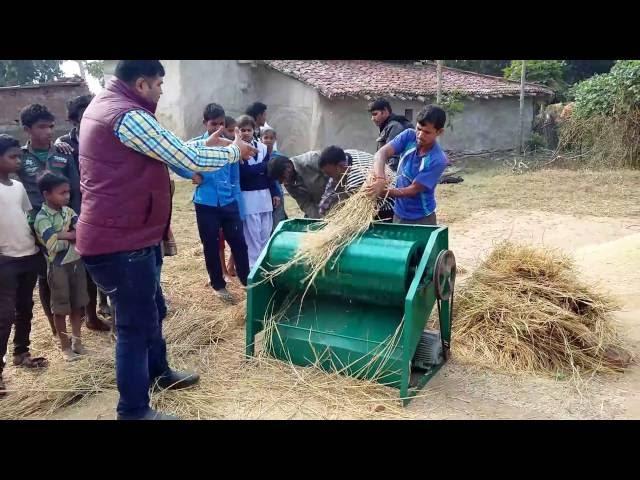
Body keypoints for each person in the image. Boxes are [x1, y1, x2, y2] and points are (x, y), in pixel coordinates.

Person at [77, 60, 255, 420]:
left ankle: (159, 373)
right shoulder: (126, 116)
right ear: (141, 84)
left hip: (133, 236)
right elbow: (187, 158)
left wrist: (205, 147)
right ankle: (133, 410)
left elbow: (170, 153)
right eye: (159, 83)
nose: (162, 90)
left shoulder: (111, 106)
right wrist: (235, 151)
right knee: (133, 326)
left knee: (153, 310)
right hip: (121, 242)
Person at [172, 103, 249, 303]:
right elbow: (175, 160)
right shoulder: (195, 145)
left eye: (222, 124)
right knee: (211, 245)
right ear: (205, 123)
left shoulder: (230, 146)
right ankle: (218, 284)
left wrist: (238, 206)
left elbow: (235, 178)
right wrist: (191, 174)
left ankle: (247, 282)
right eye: (214, 124)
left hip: (229, 202)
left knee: (239, 243)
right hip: (205, 203)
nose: (218, 128)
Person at [17, 104, 79, 337]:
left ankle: (80, 318)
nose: (48, 131)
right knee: (45, 275)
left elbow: (74, 187)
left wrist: (76, 220)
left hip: (64, 222)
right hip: (36, 225)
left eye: (51, 126)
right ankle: (54, 325)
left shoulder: (63, 153)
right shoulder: (21, 157)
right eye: (42, 127)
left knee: (71, 268)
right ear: (27, 129)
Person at [55, 95, 111, 331]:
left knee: (106, 259)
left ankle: (102, 303)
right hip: (79, 213)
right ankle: (90, 315)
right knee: (83, 265)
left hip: (104, 209)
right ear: (73, 120)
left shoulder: (106, 138)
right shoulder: (64, 145)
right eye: (83, 116)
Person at [0, 134, 49, 395]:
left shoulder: (18, 187)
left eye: (19, 156)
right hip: (4, 260)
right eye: (12, 157)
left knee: (25, 308)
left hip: (28, 254)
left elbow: (28, 216)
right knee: (4, 315)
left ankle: (22, 352)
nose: (18, 161)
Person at [34, 173, 89, 362]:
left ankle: (77, 342)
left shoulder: (69, 212)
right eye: (61, 193)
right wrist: (71, 236)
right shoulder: (41, 218)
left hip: (75, 264)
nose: (66, 196)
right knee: (60, 308)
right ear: (46, 194)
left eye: (68, 192)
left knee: (77, 305)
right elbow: (52, 246)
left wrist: (61, 234)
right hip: (57, 268)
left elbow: (82, 233)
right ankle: (65, 347)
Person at [368, 105, 449, 225]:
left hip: (421, 218)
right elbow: (382, 153)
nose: (420, 135)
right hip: (399, 212)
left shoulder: (438, 159)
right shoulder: (409, 136)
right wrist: (380, 179)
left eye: (427, 132)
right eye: (419, 129)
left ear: (439, 132)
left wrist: (382, 192)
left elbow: (412, 190)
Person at [237, 115, 280, 268]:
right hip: (248, 196)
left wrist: (275, 191)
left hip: (265, 196)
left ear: (254, 130)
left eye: (249, 130)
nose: (246, 133)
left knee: (265, 231)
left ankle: (263, 264)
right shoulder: (236, 149)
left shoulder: (262, 147)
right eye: (243, 130)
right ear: (238, 131)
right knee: (252, 234)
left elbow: (270, 172)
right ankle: (252, 267)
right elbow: (244, 173)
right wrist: (263, 167)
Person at [317, 146, 395, 220]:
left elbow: (358, 211)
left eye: (329, 173)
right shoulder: (346, 155)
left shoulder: (355, 182)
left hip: (388, 205)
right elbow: (332, 187)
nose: (329, 176)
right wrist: (322, 210)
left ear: (340, 166)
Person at [267, 152, 328, 219]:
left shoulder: (312, 160)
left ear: (289, 167)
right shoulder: (289, 184)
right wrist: (321, 218)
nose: (282, 183)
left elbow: (336, 174)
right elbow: (306, 204)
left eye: (282, 178)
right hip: (325, 208)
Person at [368, 98, 413, 171]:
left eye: (375, 114)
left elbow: (394, 158)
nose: (372, 118)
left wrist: (387, 176)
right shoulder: (388, 126)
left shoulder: (394, 126)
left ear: (385, 111)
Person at [261, 127, 287, 230]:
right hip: (265, 192)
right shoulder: (258, 155)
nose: (268, 140)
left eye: (271, 138)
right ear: (261, 139)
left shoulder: (279, 157)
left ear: (275, 139)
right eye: (265, 137)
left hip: (278, 192)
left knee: (277, 218)